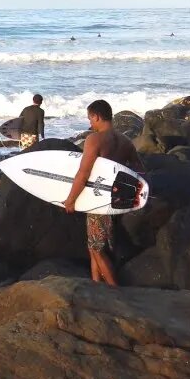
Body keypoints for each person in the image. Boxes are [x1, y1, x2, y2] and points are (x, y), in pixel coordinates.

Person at [62, 99, 143, 286]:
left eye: (90, 118)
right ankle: (96, 285)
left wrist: (70, 200)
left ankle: (115, 291)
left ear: (96, 116)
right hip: (116, 200)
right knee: (95, 246)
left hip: (98, 200)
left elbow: (83, 173)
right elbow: (140, 170)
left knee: (98, 249)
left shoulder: (94, 139)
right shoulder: (125, 141)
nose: (90, 123)